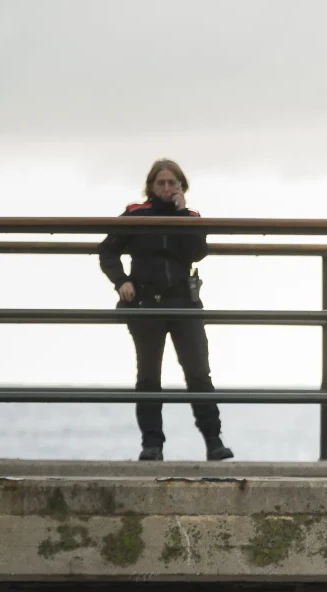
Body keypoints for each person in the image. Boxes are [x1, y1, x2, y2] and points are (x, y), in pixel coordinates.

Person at [98, 159, 233, 461]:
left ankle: (214, 441)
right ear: (151, 186)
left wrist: (182, 214)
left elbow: (198, 252)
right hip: (146, 302)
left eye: (173, 183)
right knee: (148, 376)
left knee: (198, 373)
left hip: (184, 302)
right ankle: (152, 445)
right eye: (161, 183)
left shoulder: (191, 216)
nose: (167, 188)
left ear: (182, 187)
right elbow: (107, 250)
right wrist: (121, 281)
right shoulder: (135, 214)